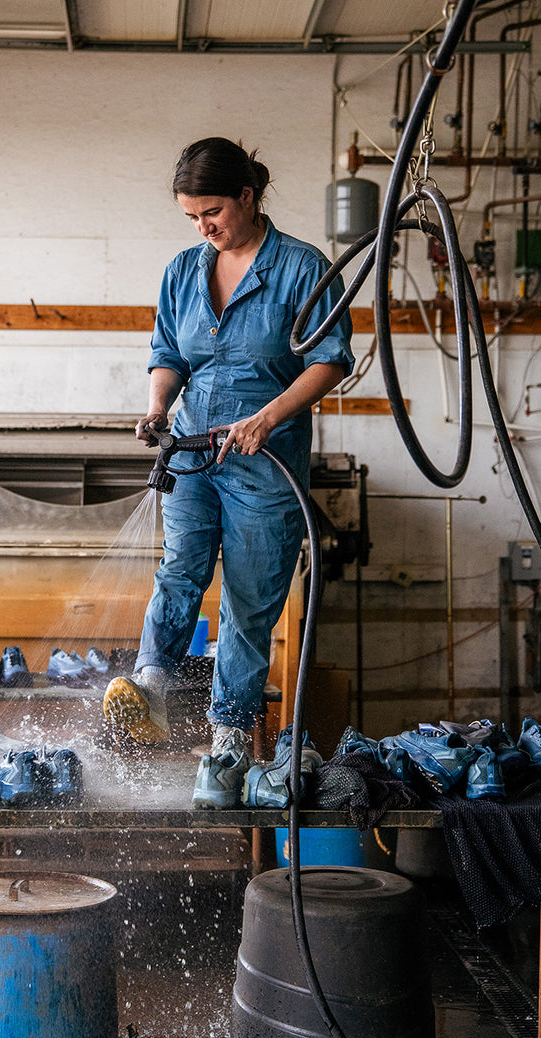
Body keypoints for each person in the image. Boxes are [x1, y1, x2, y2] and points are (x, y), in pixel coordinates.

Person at [103, 136, 354, 808]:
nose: (202, 228)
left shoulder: (301, 267)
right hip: (192, 450)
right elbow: (168, 352)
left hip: (264, 461)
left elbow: (331, 359)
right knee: (180, 568)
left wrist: (267, 418)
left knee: (247, 602)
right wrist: (157, 407)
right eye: (191, 216)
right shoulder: (184, 270)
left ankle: (229, 740)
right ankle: (152, 686)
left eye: (211, 212)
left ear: (247, 196)